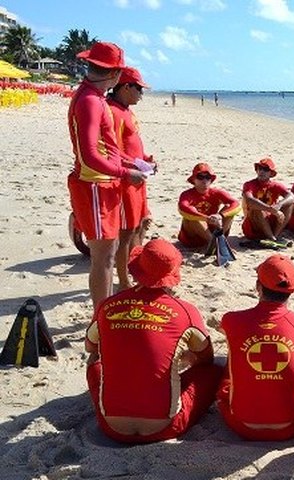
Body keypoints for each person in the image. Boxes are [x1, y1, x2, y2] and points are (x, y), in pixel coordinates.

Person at [84, 239, 222, 443]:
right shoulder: (185, 311)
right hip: (166, 427)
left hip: (112, 427)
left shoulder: (107, 306)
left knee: (94, 365)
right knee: (214, 372)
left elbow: (90, 347)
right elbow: (206, 358)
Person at [217, 254, 294, 440]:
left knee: (234, 346)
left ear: (257, 287)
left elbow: (227, 330)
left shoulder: (231, 320)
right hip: (292, 425)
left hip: (240, 424)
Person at [67, 41, 146, 307]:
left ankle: (106, 308)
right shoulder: (90, 101)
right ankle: (101, 316)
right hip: (94, 186)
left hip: (102, 184)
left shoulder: (95, 97)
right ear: (114, 75)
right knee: (103, 257)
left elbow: (107, 149)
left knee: (108, 255)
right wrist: (125, 173)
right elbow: (90, 155)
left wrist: (133, 164)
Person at [107, 66, 154, 291]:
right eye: (139, 89)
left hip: (138, 178)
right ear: (126, 87)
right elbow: (111, 150)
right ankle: (124, 281)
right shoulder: (113, 112)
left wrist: (145, 159)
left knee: (139, 226)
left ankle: (135, 273)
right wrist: (135, 164)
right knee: (125, 233)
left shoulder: (126, 110)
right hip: (126, 181)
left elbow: (131, 144)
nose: (141, 95)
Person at [177, 163, 241, 249]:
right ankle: (214, 243)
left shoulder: (216, 192)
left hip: (213, 227)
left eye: (207, 177)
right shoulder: (187, 194)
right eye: (200, 177)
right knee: (193, 216)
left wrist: (220, 215)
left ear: (211, 180)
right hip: (192, 237)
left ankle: (218, 240)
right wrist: (206, 218)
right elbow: (183, 208)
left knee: (228, 209)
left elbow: (236, 204)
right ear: (194, 179)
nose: (204, 180)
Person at [242, 157, 294, 243]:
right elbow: (250, 201)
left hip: (271, 221)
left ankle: (275, 235)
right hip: (254, 225)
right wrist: (270, 209)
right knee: (257, 208)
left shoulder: (275, 185)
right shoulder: (249, 184)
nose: (261, 171)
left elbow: (292, 196)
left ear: (271, 173)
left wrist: (279, 205)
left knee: (289, 204)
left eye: (265, 169)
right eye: (260, 168)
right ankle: (272, 238)